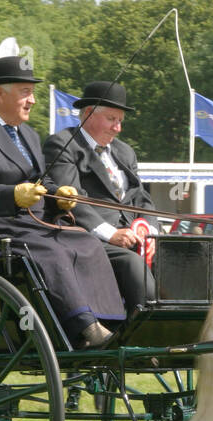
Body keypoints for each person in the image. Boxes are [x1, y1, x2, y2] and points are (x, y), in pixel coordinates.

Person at [0, 56, 124, 349]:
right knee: (51, 250)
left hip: (32, 226)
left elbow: (40, 182)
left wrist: (59, 196)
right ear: (1, 92)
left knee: (86, 242)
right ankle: (85, 326)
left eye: (32, 92)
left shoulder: (27, 134)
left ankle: (110, 320)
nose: (33, 100)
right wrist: (11, 194)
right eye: (26, 91)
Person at [42, 81, 157, 312]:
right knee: (132, 263)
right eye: (112, 119)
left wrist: (150, 231)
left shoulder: (125, 152)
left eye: (120, 121)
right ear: (87, 115)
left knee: (181, 255)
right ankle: (143, 333)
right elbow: (73, 200)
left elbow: (142, 197)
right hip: (91, 238)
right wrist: (111, 233)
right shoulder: (64, 145)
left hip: (133, 237)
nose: (118, 128)